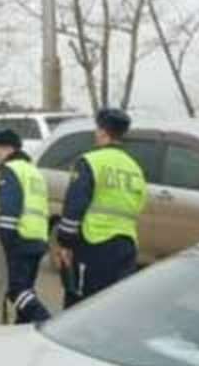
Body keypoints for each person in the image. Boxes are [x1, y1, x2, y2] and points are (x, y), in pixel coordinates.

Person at [54, 108, 147, 307]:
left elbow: (75, 205)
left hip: (94, 243)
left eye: (97, 129)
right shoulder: (135, 167)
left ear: (103, 132)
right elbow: (139, 204)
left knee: (82, 303)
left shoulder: (90, 161)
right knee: (113, 305)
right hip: (126, 245)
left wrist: (65, 242)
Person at [0, 129, 51, 324]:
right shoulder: (33, 171)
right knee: (26, 290)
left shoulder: (10, 170)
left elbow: (9, 211)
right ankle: (25, 329)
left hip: (19, 239)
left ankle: (44, 320)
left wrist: (3, 245)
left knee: (15, 289)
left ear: (6, 148)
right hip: (38, 238)